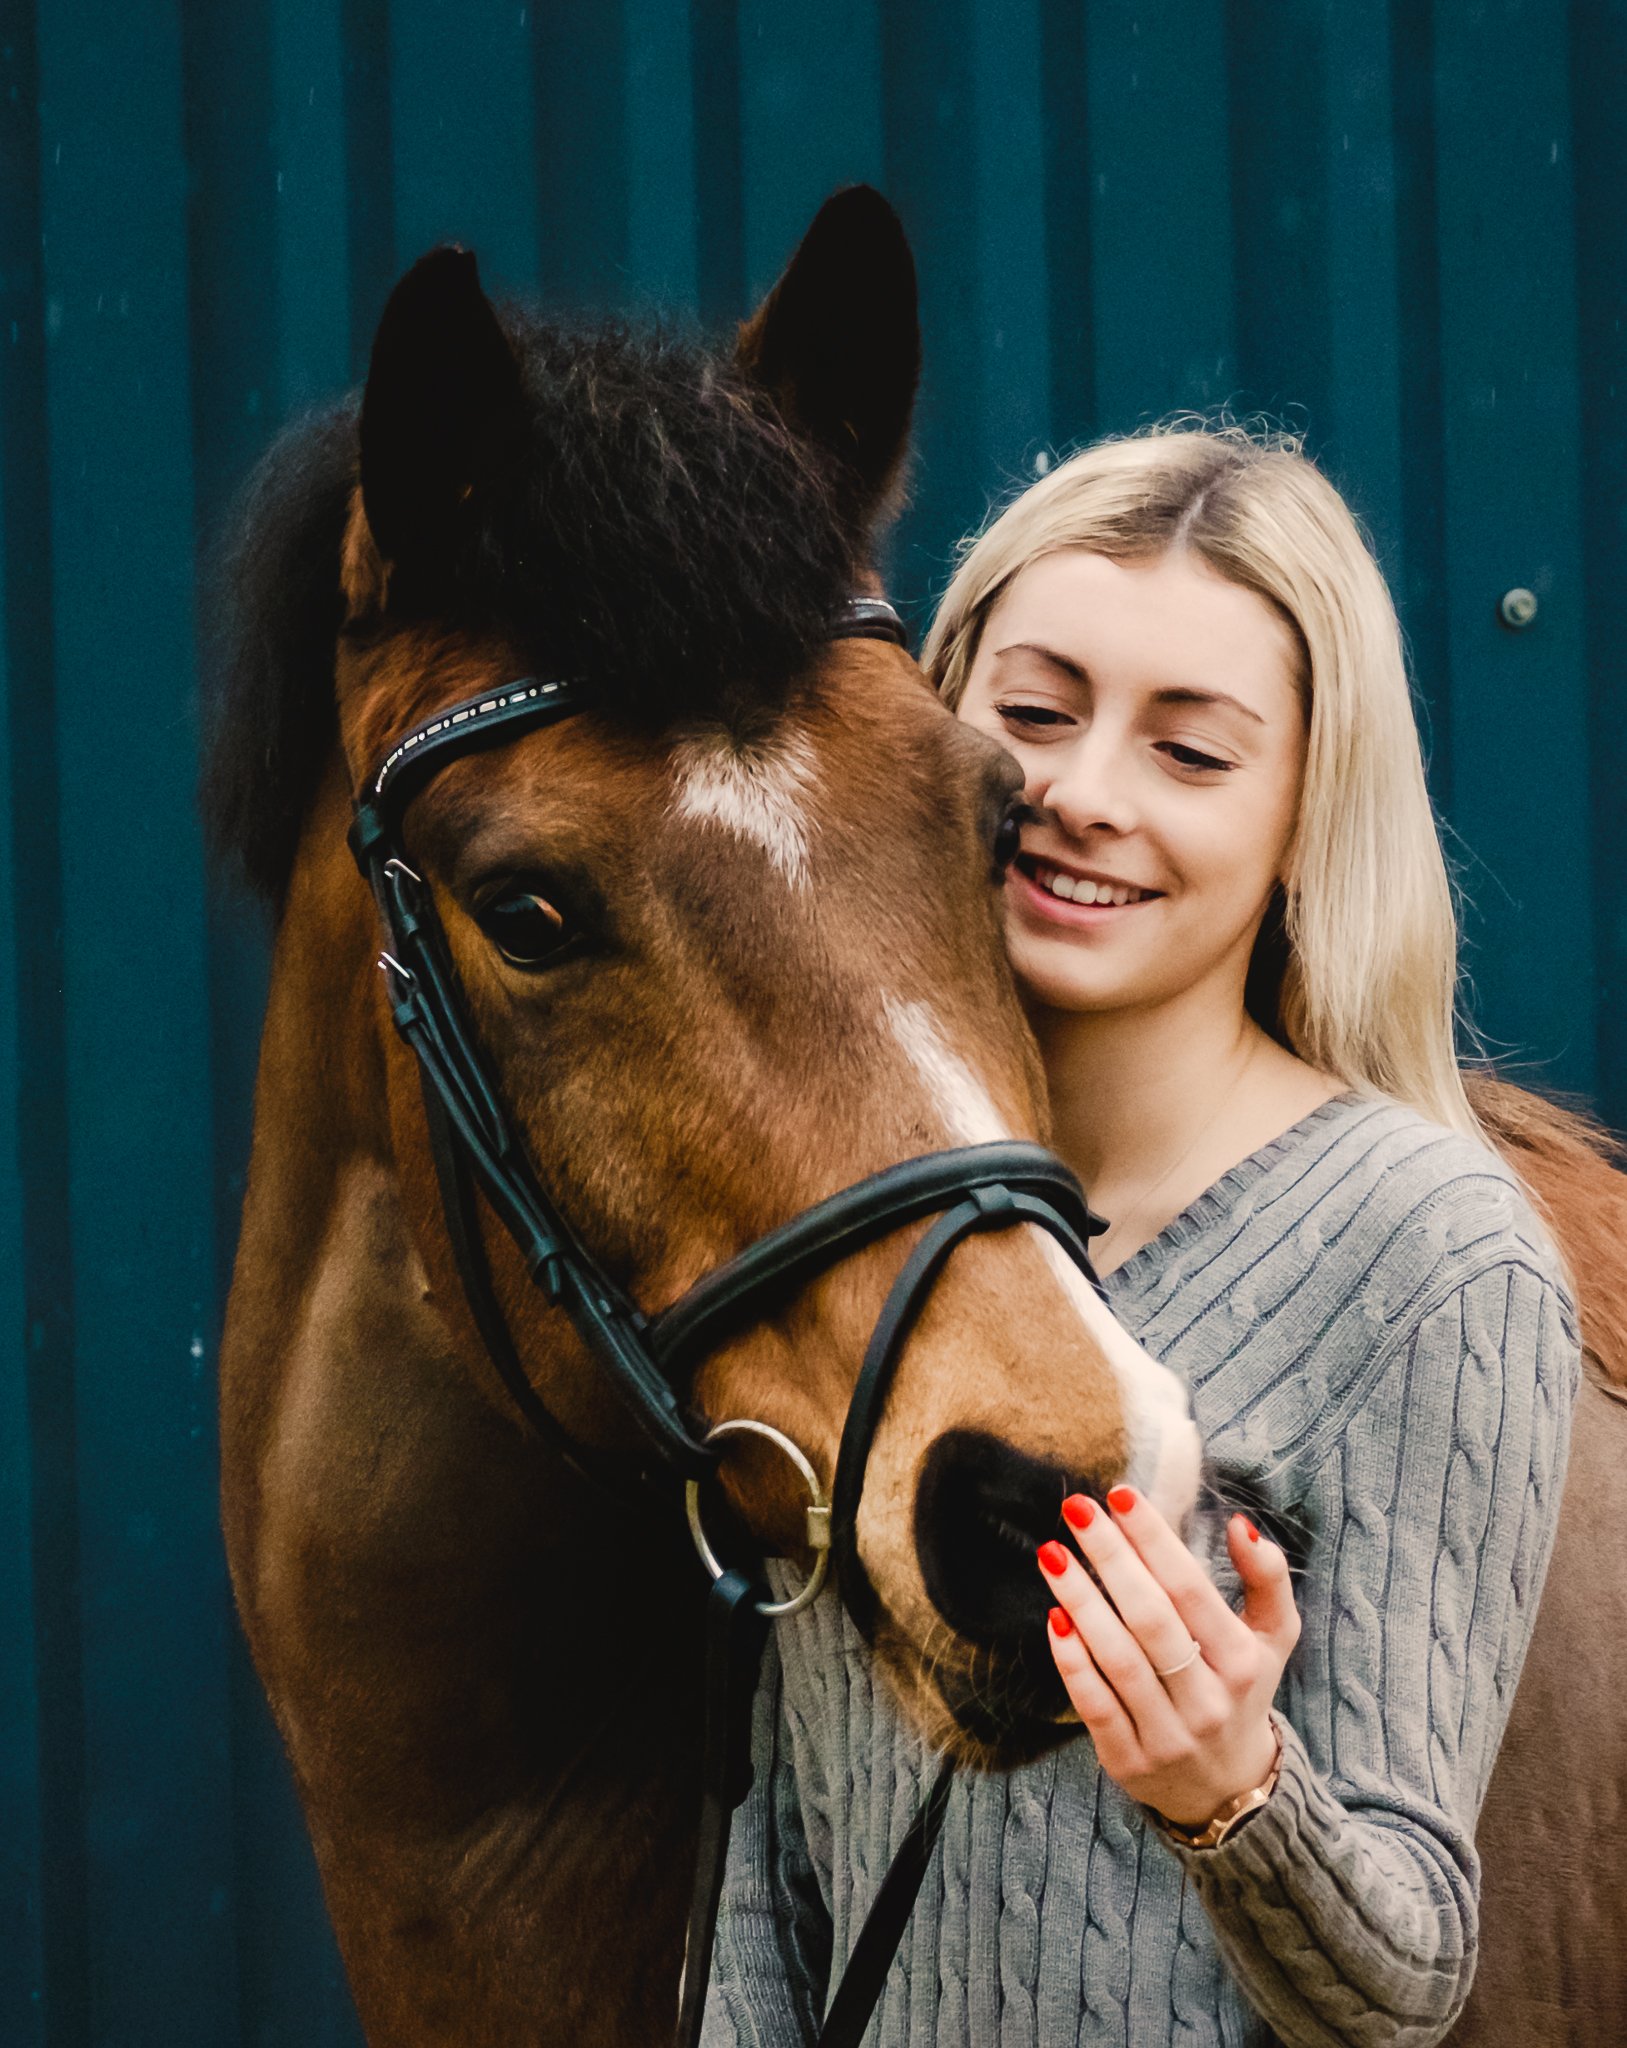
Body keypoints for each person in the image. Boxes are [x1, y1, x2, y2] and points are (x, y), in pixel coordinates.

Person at [700, 422, 1580, 2046]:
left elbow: (1400, 1983)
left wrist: (1228, 1793)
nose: (1083, 796)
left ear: (1310, 805)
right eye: (1034, 715)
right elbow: (775, 1838)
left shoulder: (1431, 1256)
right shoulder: (856, 1221)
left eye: (1193, 752)